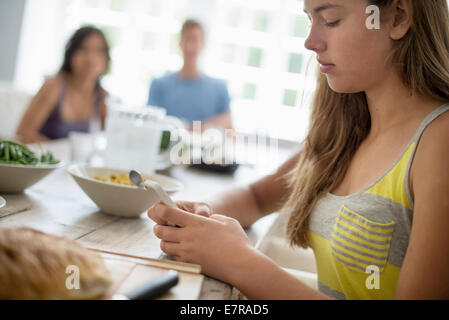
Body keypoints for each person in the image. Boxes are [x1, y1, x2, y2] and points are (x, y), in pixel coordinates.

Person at [147, 0, 449, 300]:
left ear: (397, 17)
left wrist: (238, 261)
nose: (310, 42)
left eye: (330, 20)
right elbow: (256, 197)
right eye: (309, 21)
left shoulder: (440, 143)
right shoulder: (344, 133)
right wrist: (201, 213)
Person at [16, 26, 110, 143]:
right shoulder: (53, 86)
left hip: (73, 161)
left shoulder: (102, 96)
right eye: (83, 49)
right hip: (43, 158)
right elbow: (23, 133)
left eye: (99, 51)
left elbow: (111, 136)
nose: (90, 58)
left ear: (106, 59)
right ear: (71, 54)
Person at [147, 19, 233, 131]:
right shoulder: (159, 85)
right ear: (180, 44)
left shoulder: (219, 88)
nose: (190, 47)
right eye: (187, 40)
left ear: (203, 44)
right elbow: (149, 124)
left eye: (195, 40)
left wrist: (197, 128)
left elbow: (229, 129)